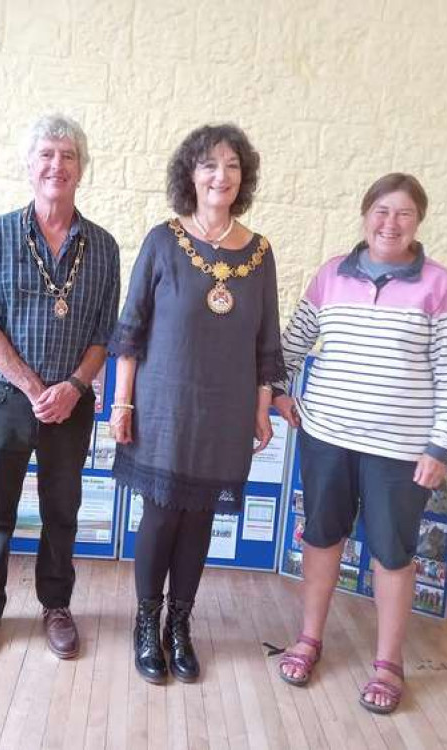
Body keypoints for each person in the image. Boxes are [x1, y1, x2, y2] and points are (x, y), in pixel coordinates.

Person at [273, 173, 447, 713]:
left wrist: (441, 447)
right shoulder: (330, 276)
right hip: (326, 438)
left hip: (399, 451)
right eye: (381, 211)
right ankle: (309, 639)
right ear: (365, 216)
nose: (391, 222)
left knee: (392, 554)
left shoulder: (441, 286)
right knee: (321, 539)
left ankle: (388, 663)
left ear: (419, 221)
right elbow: (292, 342)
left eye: (403, 213)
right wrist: (276, 392)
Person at [109, 124, 285, 684]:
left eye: (232, 166)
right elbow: (131, 330)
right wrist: (122, 405)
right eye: (209, 164)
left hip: (226, 412)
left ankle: (179, 627)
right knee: (161, 516)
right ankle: (146, 624)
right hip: (163, 408)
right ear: (191, 174)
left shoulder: (259, 253)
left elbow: (268, 342)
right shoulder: (163, 241)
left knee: (201, 520)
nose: (221, 175)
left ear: (244, 178)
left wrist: (260, 410)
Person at [0, 114, 121, 664]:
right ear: (30, 166)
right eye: (47, 154)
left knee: (62, 510)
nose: (58, 165)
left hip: (72, 405)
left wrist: (74, 387)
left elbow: (105, 332)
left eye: (69, 156)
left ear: (82, 169)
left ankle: (56, 605)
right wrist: (32, 387)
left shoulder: (103, 246)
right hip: (7, 400)